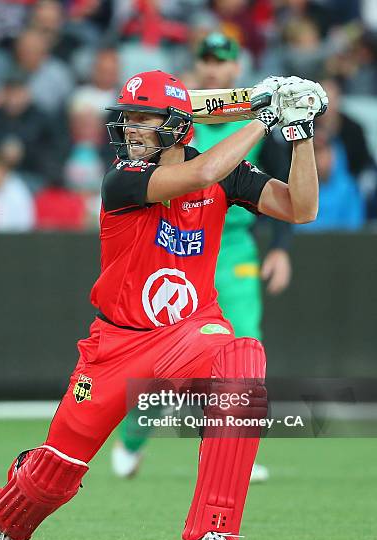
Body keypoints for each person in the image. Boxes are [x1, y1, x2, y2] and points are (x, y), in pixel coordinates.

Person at [0, 69, 326, 540]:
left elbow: (302, 208)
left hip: (190, 330)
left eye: (144, 120)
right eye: (128, 119)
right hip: (115, 345)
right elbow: (200, 173)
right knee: (57, 471)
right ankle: (4, 520)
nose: (131, 130)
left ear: (177, 126)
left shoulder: (228, 174)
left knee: (242, 360)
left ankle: (215, 531)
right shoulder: (123, 178)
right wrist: (263, 116)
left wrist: (299, 134)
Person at [113, 33, 292, 483]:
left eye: (223, 61)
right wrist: (250, 105)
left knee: (245, 339)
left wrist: (281, 250)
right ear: (197, 68)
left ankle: (232, 444)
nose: (214, 68)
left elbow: (283, 187)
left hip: (234, 245)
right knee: (162, 354)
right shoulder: (175, 114)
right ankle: (135, 434)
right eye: (206, 60)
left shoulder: (250, 114)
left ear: (235, 69)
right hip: (173, 236)